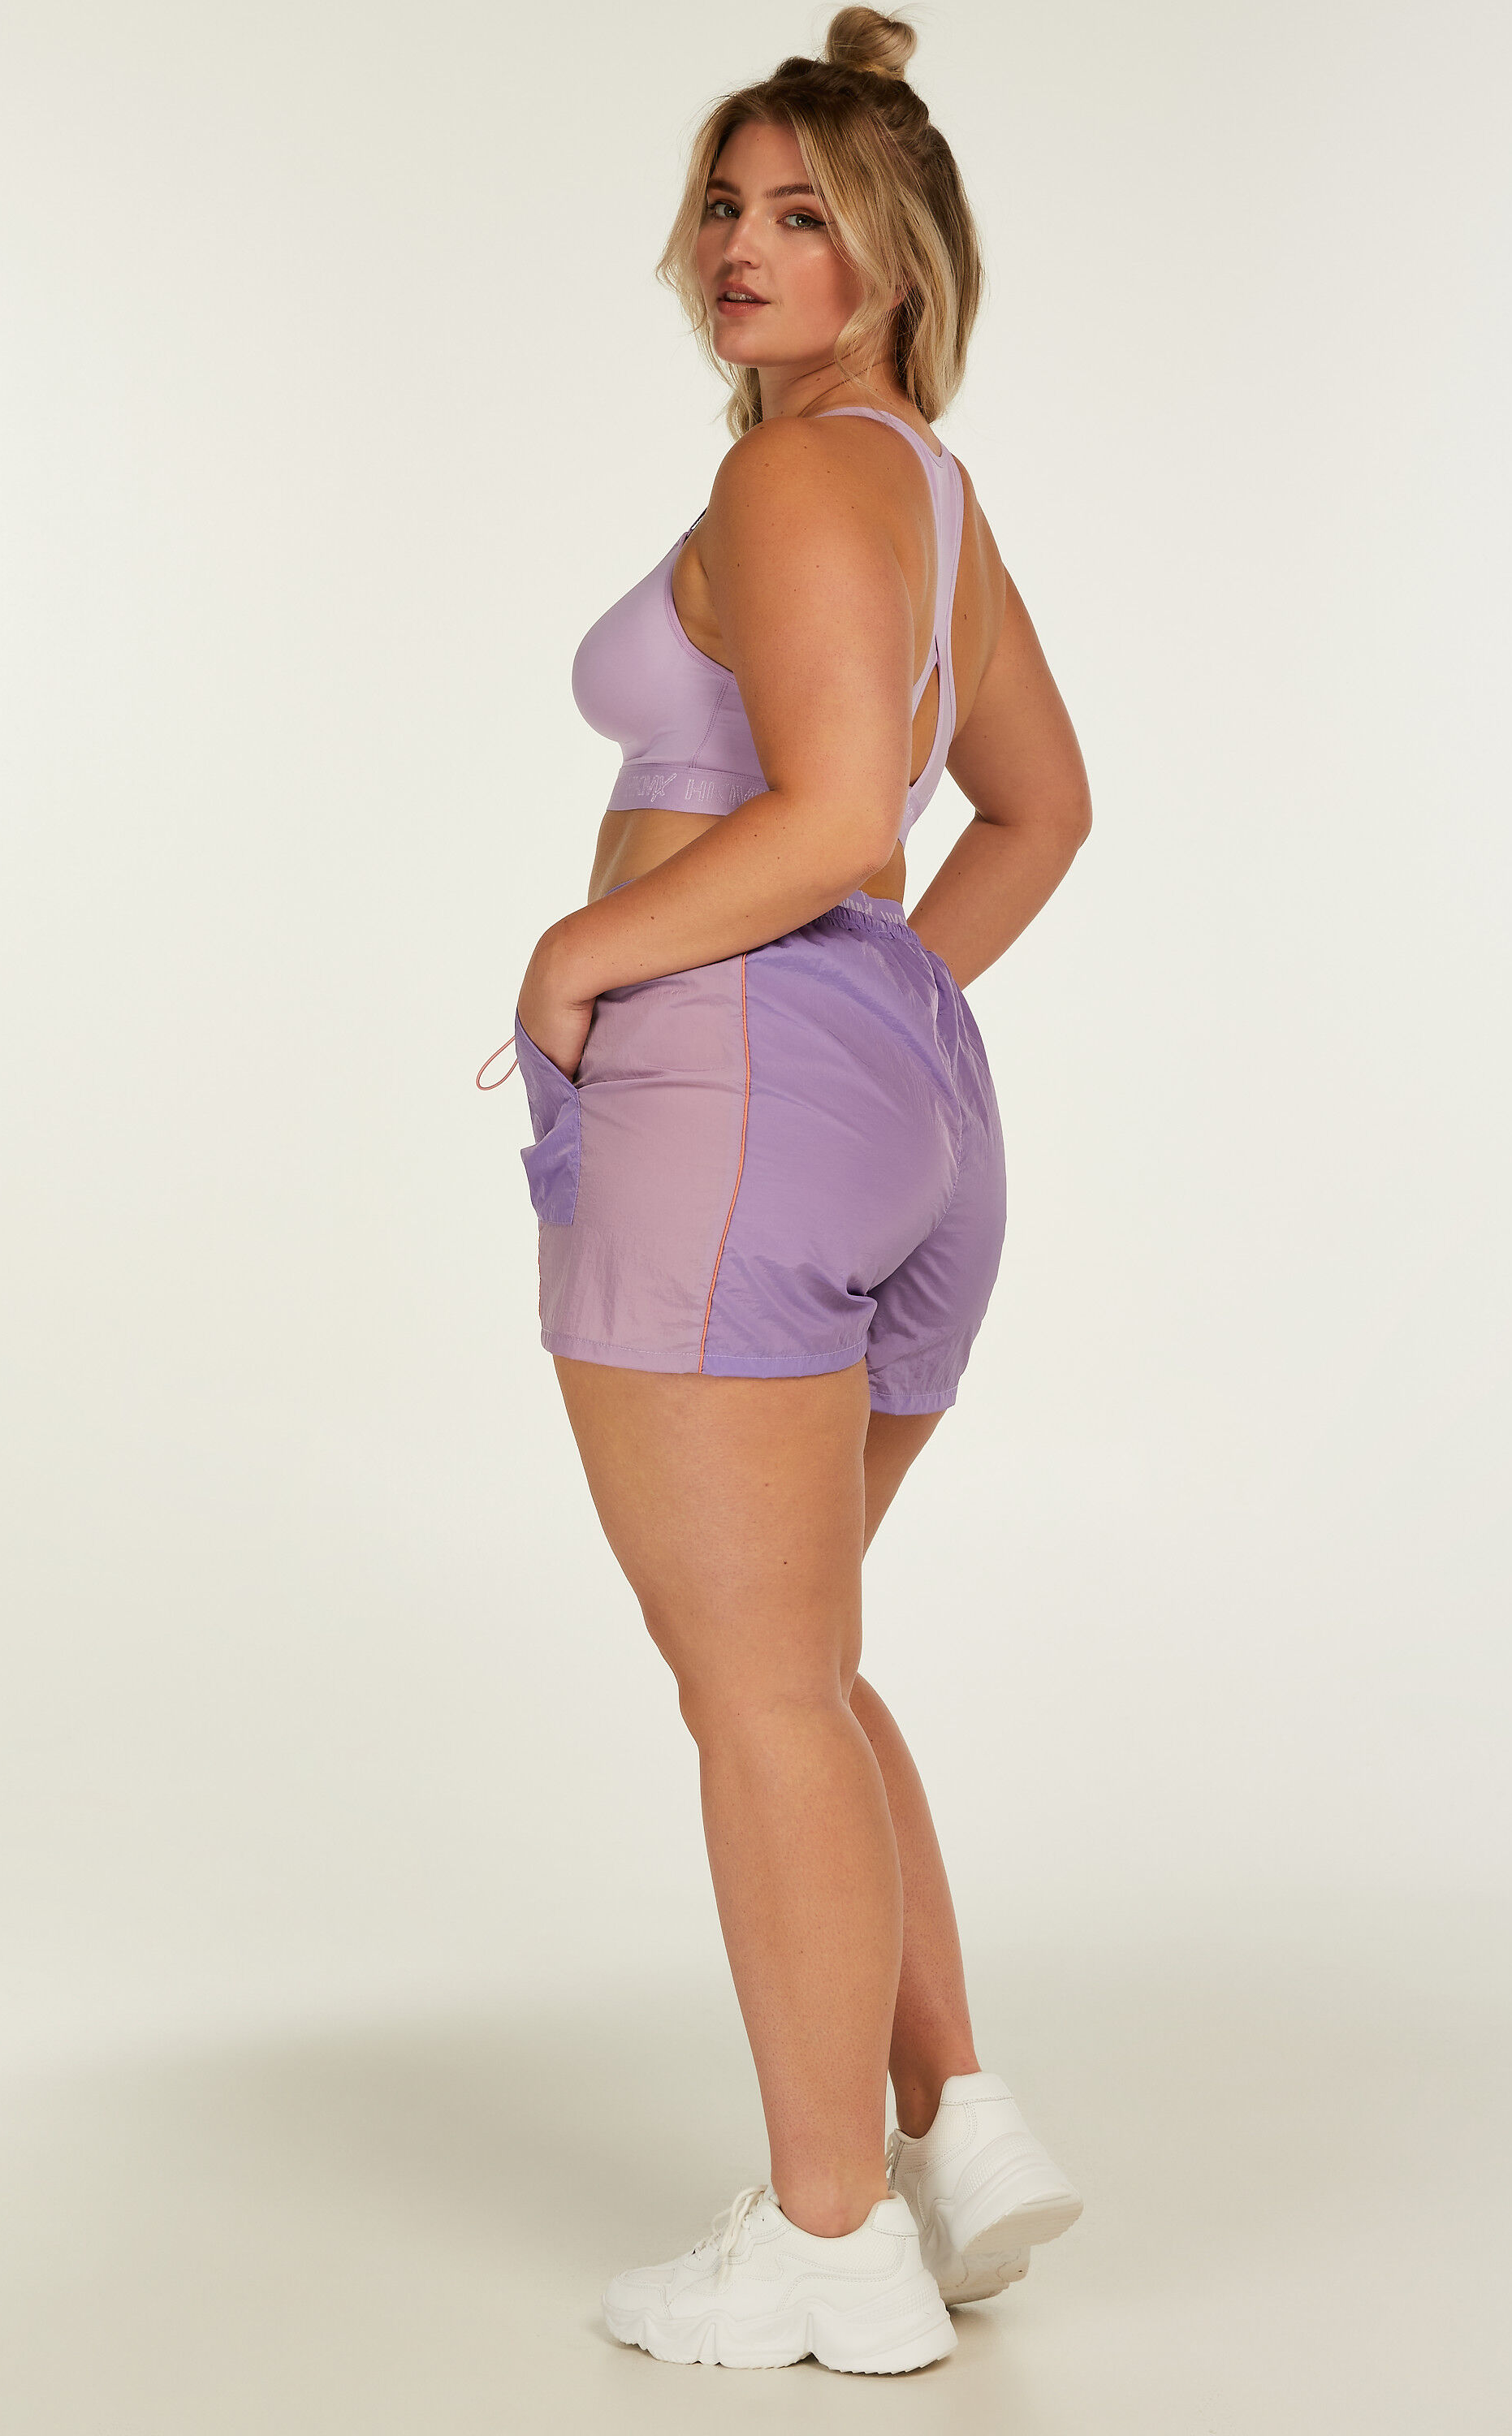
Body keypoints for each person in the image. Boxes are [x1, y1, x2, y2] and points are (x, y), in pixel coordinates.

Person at [507, 7, 1091, 2375]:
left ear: (896, 259)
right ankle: (951, 2118)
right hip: (896, 1111)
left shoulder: (794, 480)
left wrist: (582, 957)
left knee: (753, 1684)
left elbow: (842, 819)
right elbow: (1035, 810)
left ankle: (831, 2245)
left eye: (804, 215)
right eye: (728, 205)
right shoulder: (926, 488)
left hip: (732, 1100)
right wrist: (874, 1008)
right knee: (801, 1663)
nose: (745, 247)